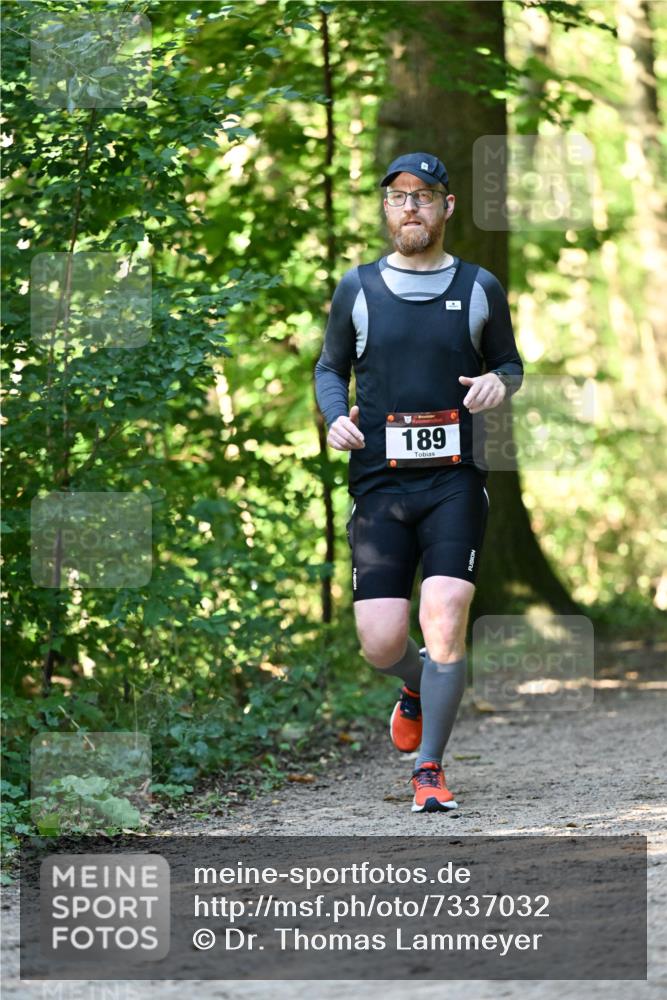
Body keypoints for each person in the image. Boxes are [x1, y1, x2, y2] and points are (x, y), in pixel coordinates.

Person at [315, 152, 523, 813]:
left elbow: (508, 364)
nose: (411, 206)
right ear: (385, 208)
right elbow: (328, 368)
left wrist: (498, 383)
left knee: (443, 620)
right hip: (378, 484)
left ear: (446, 206)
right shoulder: (357, 288)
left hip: (454, 483)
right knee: (381, 642)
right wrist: (331, 420)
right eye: (399, 196)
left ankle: (428, 768)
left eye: (424, 196)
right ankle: (416, 686)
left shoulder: (479, 286)